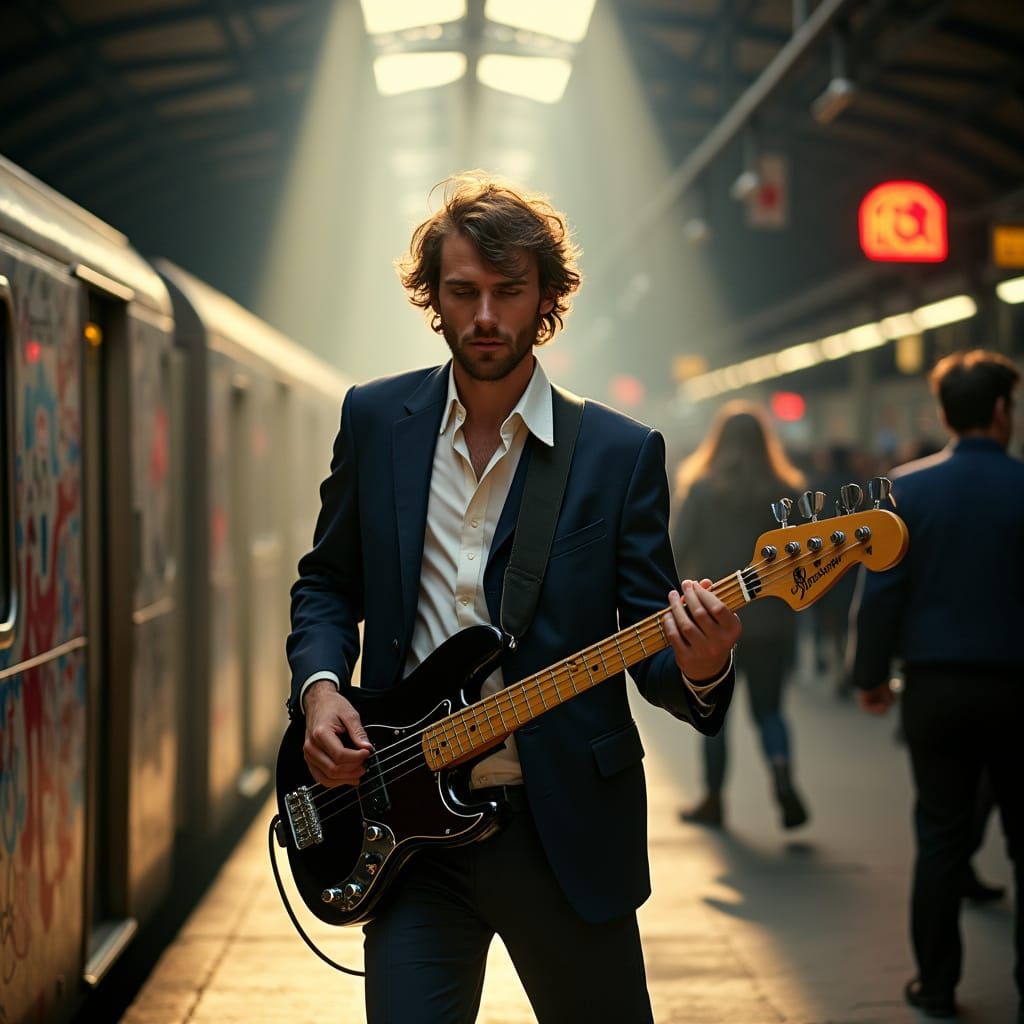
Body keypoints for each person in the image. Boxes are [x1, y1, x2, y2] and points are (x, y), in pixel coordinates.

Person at [285, 172, 742, 1023]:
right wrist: (319, 690)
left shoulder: (618, 453)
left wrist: (702, 665)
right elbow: (327, 583)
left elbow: (652, 649)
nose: (486, 315)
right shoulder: (376, 421)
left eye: (509, 291)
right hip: (406, 832)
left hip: (563, 828)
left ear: (546, 298)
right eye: (464, 292)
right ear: (433, 298)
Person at [848, 349, 1024, 1021]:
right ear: (1002, 411)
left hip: (935, 689)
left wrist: (870, 677)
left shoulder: (905, 490)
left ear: (945, 415)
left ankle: (938, 985)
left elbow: (881, 595)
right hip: (1018, 690)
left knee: (942, 835)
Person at [672, 401, 810, 831]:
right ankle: (782, 777)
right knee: (770, 711)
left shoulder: (702, 489)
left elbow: (676, 549)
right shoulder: (784, 491)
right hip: (771, 622)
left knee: (714, 715)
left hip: (715, 623)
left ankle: (713, 800)